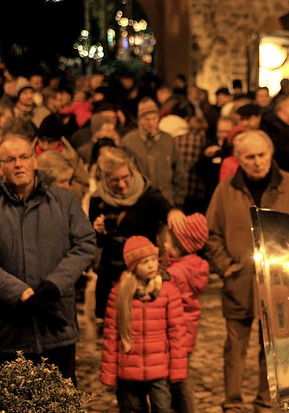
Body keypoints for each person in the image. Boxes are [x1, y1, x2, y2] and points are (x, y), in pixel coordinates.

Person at [204, 129, 289, 413]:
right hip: (239, 281)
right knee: (235, 347)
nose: (257, 162)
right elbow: (211, 233)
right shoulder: (226, 190)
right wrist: (226, 266)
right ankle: (233, 401)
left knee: (273, 347)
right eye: (250, 157)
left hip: (280, 283)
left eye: (261, 155)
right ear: (239, 159)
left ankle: (266, 400)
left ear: (271, 153)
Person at [0, 134, 97, 385]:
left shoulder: (63, 201)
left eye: (24, 157)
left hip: (57, 324)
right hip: (11, 332)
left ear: (35, 161)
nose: (18, 164)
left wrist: (54, 285)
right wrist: (20, 293)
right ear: (1, 167)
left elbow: (85, 244)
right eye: (10, 159)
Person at [89, 147, 186, 327]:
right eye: (114, 180)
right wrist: (99, 231)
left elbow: (166, 208)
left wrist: (172, 213)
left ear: (131, 170)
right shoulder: (98, 201)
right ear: (105, 178)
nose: (122, 184)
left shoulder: (147, 194)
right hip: (112, 275)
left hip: (143, 274)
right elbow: (95, 243)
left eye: (125, 177)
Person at [100, 235, 187, 413]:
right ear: (133, 267)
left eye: (153, 260)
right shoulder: (120, 293)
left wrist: (177, 370)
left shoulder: (168, 291)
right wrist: (109, 374)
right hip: (129, 370)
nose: (151, 265)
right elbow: (111, 335)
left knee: (163, 408)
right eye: (144, 262)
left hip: (159, 370)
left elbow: (177, 333)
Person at [160, 213, 210, 413]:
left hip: (178, 332)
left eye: (169, 241)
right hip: (188, 331)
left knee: (179, 380)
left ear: (180, 246)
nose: (165, 244)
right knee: (179, 376)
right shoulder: (195, 265)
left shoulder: (177, 272)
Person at [120, 97, 187, 208]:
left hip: (167, 199)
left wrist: (178, 198)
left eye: (154, 118)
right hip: (139, 201)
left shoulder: (168, 140)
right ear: (139, 120)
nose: (151, 123)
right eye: (146, 119)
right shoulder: (128, 142)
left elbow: (179, 171)